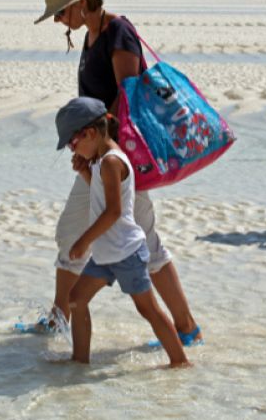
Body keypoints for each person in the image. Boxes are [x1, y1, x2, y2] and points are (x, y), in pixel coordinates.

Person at [32, 0, 203, 346]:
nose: (61, 19)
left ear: (80, 4)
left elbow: (126, 100)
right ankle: (59, 318)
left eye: (61, 11)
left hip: (119, 159)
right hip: (96, 153)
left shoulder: (117, 32)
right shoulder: (92, 36)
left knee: (148, 244)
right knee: (70, 232)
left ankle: (187, 329)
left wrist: (93, 145)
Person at [54, 97, 190, 367]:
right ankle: (79, 360)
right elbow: (102, 195)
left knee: (147, 308)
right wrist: (85, 174)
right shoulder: (98, 160)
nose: (72, 149)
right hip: (106, 254)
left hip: (126, 252)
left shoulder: (111, 161)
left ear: (90, 133)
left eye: (72, 143)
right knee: (76, 300)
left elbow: (114, 211)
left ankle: (180, 361)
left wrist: (84, 241)